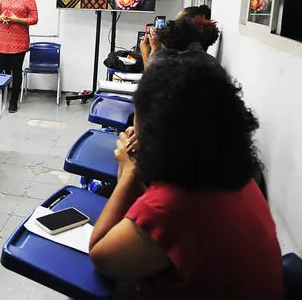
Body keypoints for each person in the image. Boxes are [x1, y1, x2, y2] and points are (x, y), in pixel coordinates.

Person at [88, 52, 284, 299]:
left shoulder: (172, 205)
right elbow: (144, 215)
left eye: (137, 118)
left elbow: (102, 256)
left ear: (157, 131)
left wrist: (128, 173)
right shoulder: (236, 176)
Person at [0, 0, 38, 113]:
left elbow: (34, 19)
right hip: (3, 40)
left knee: (16, 72)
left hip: (19, 41)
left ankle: (13, 102)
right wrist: (0, 18)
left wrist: (18, 20)